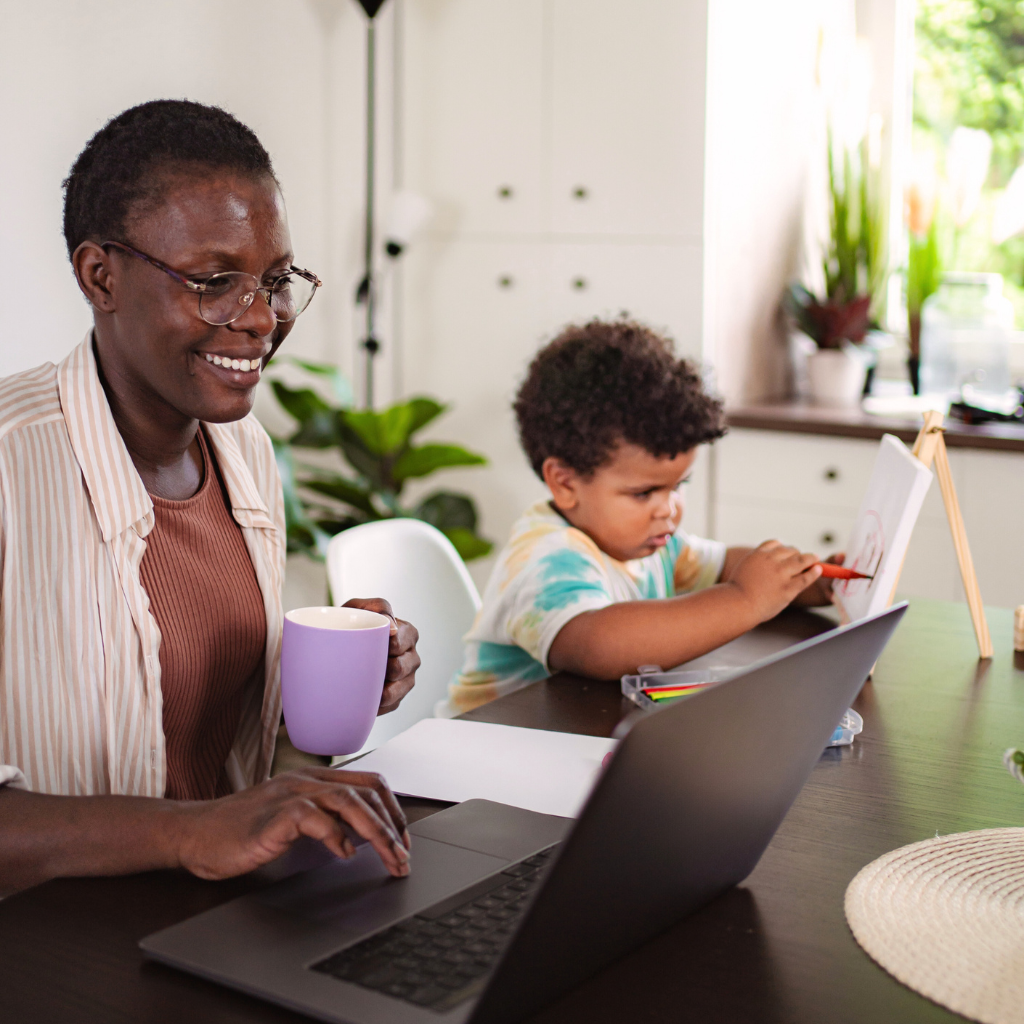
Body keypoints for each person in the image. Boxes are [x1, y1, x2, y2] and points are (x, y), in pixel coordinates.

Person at [0, 100, 420, 895]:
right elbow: (208, 822)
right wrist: (193, 833)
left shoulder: (243, 451)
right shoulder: (10, 469)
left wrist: (309, 708)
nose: (260, 318)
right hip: (51, 957)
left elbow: (234, 779)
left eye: (275, 280)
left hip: (214, 921)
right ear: (101, 276)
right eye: (214, 281)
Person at [450, 319, 834, 712]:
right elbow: (599, 645)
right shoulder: (543, 559)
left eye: (678, 485)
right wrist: (746, 599)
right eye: (644, 492)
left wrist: (807, 581)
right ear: (565, 483)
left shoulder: (648, 544)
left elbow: (725, 565)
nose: (668, 508)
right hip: (488, 750)